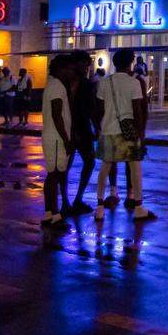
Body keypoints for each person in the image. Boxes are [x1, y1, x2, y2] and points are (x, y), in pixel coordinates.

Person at [93, 49, 154, 222]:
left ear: (114, 63)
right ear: (131, 62)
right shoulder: (134, 82)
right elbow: (138, 111)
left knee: (104, 168)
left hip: (108, 129)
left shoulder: (105, 82)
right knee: (135, 168)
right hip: (128, 131)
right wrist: (141, 134)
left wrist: (99, 127)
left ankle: (99, 207)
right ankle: (139, 206)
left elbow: (98, 109)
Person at [40, 55, 73, 228]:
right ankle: (54, 215)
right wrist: (66, 139)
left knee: (54, 175)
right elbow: (56, 113)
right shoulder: (56, 86)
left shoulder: (54, 84)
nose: (70, 72)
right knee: (54, 175)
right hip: (56, 138)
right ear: (61, 69)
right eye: (68, 69)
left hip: (53, 137)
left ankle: (49, 213)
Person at [64, 50, 97, 214]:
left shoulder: (67, 83)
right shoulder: (80, 84)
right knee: (83, 162)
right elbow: (90, 109)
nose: (86, 67)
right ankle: (72, 200)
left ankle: (71, 200)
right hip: (78, 127)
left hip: (75, 127)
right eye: (84, 63)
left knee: (71, 165)